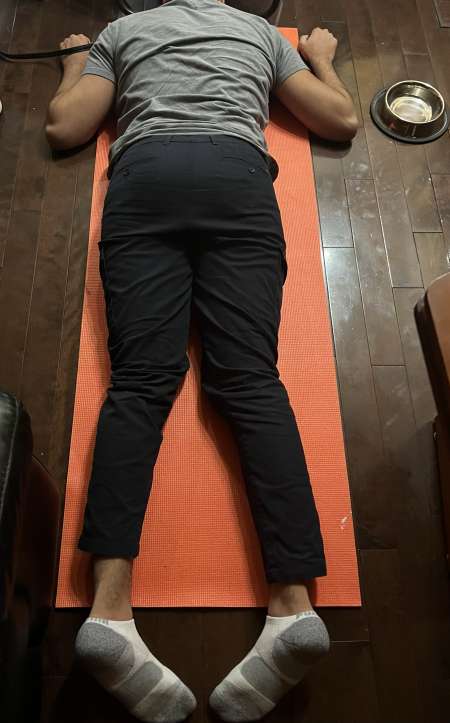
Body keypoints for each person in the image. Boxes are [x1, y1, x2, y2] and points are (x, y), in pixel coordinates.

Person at [46, 1, 358, 721]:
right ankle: (293, 603)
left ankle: (109, 609)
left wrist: (75, 61)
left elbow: (66, 129)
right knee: (250, 382)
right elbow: (339, 120)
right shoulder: (257, 33)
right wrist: (319, 58)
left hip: (145, 174)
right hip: (235, 174)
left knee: (139, 384)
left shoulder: (123, 32)